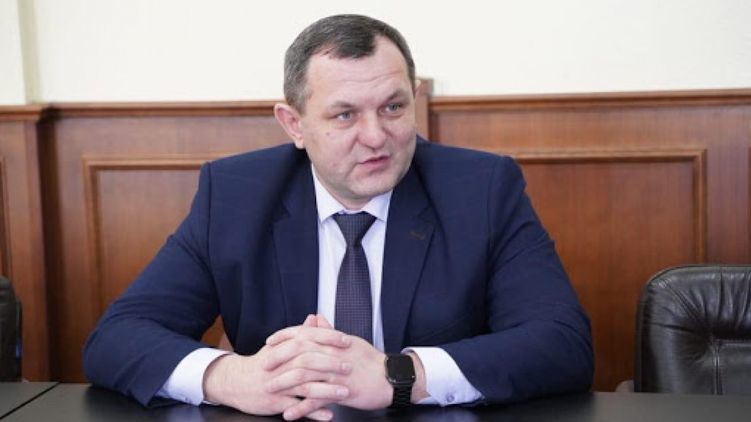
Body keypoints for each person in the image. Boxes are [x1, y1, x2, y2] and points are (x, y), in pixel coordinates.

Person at [83, 14, 593, 421]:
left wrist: (402, 375)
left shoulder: (482, 189)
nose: (376, 136)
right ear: (294, 124)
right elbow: (118, 336)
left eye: (393, 107)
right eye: (345, 114)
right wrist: (234, 378)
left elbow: (561, 343)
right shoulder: (235, 196)